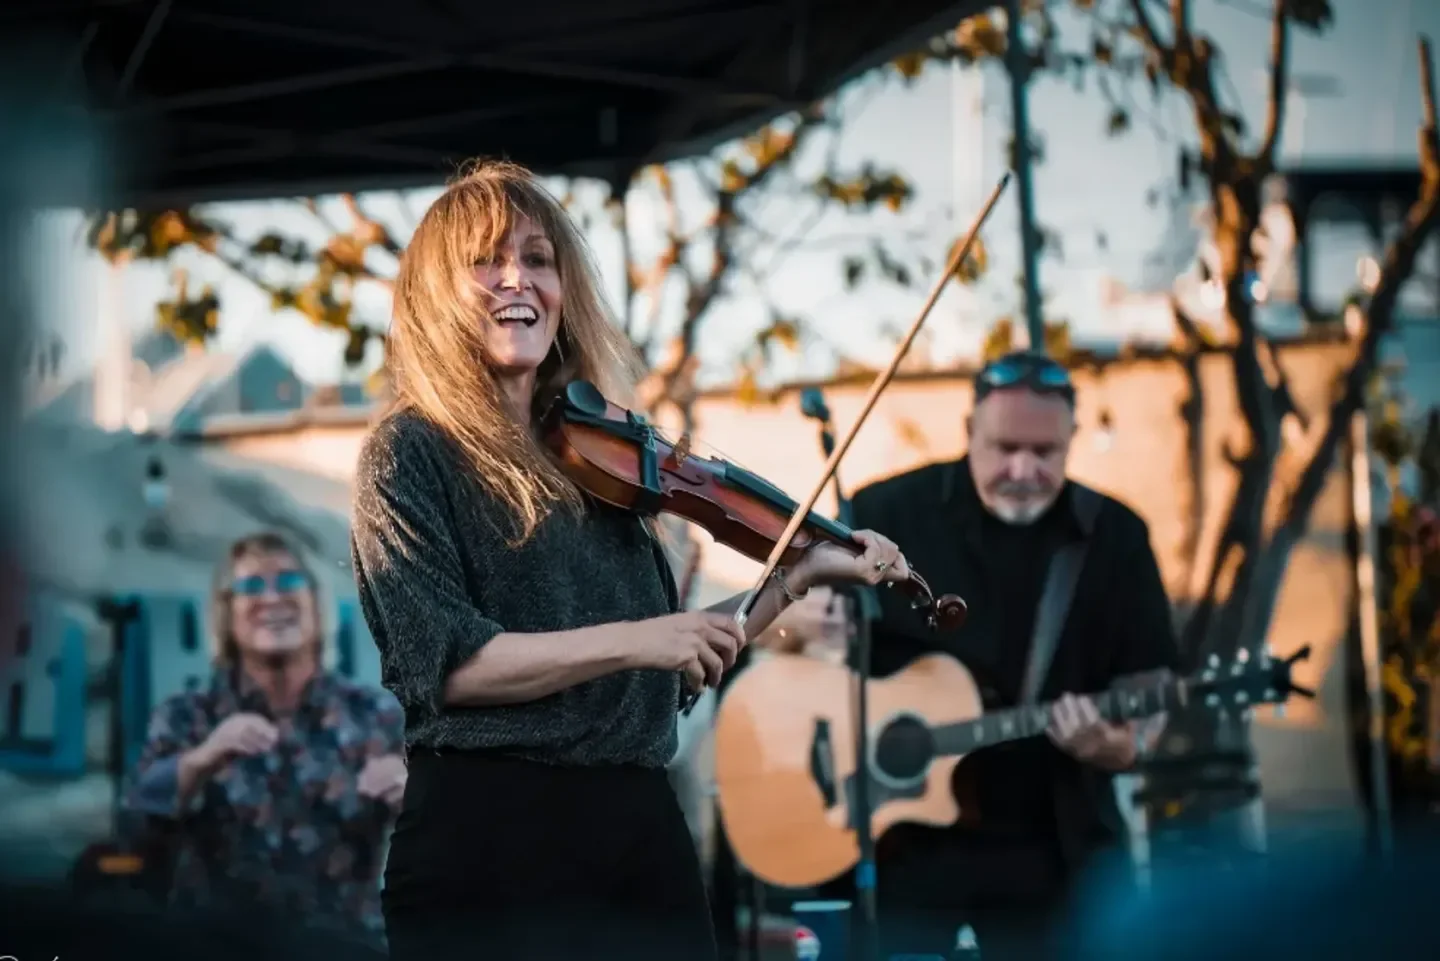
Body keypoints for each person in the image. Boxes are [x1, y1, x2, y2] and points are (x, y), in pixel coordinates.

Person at [349, 159, 912, 961]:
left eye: (538, 259)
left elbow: (672, 663)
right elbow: (448, 665)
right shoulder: (408, 451)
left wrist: (797, 577)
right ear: (436, 294)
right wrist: (643, 638)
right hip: (492, 842)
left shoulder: (597, 459)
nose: (518, 278)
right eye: (485, 260)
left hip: (639, 834)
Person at [831, 350, 1180, 960]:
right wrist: (808, 631)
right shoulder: (883, 512)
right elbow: (801, 628)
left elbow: (1149, 682)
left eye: (1045, 453)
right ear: (970, 431)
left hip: (1057, 842)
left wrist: (1122, 746)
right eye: (1005, 448)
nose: (1023, 469)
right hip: (896, 846)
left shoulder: (1115, 535)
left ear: (1072, 439)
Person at [122, 531, 407, 946]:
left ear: (316, 603)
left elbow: (441, 851)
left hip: (342, 947)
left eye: (289, 580)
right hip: (214, 948)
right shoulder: (188, 716)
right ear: (227, 612)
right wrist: (200, 761)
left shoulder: (376, 717)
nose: (272, 598)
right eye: (252, 585)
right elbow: (133, 834)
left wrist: (410, 796)